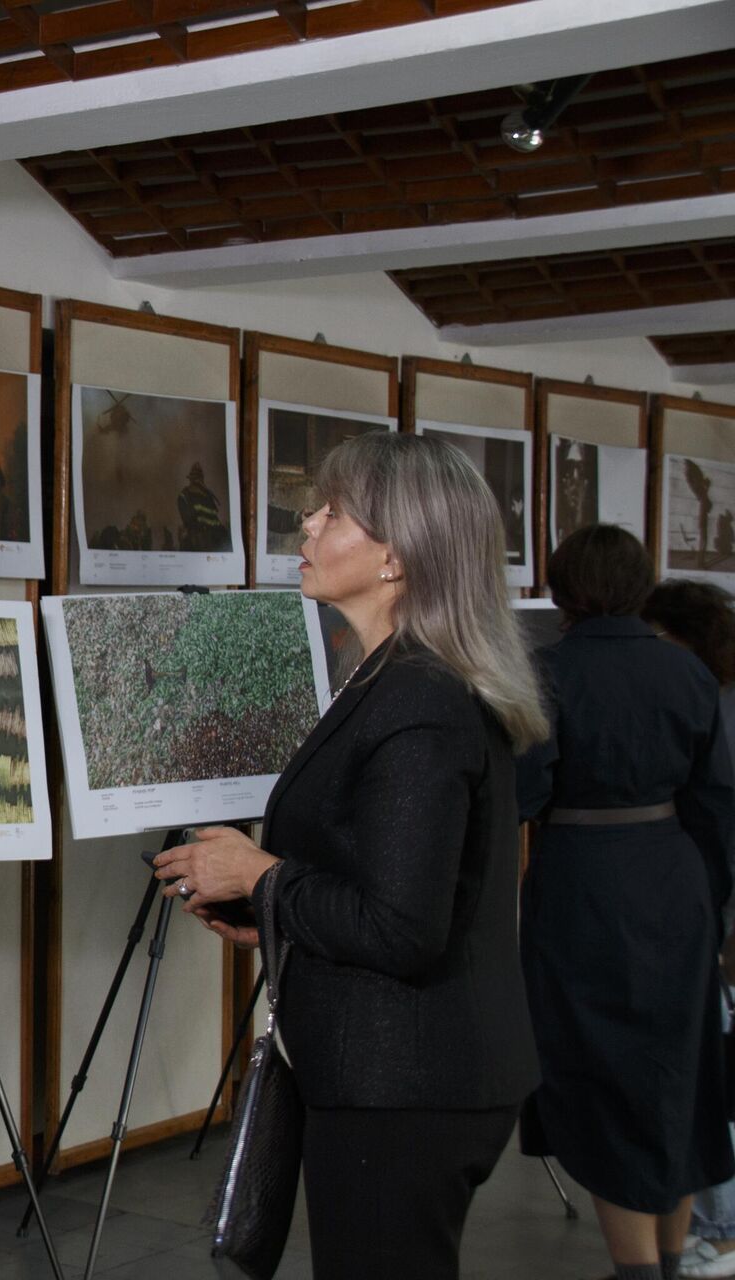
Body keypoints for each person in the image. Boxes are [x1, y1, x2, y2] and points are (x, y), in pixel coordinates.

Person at [152, 431, 546, 1279]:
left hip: (407, 1081)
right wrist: (276, 910)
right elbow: (380, 878)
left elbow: (403, 927)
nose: (307, 526)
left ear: (398, 556)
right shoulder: (389, 678)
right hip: (398, 1070)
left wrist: (261, 877)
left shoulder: (420, 701)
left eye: (334, 513)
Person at [515, 525, 735, 1280]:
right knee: (677, 1077)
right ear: (641, 585)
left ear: (561, 587)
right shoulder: (688, 674)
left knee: (602, 1076)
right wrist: (707, 902)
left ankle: (636, 1271)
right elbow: (718, 804)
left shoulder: (545, 672)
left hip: (583, 881)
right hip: (676, 882)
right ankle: (668, 1263)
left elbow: (526, 792)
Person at [643, 579, 735, 1279]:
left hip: (715, 918)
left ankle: (719, 1229)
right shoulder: (710, 699)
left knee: (714, 1077)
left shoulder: (708, 706)